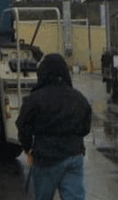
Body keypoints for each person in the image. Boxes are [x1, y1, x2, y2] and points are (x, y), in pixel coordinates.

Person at [16, 53, 92, 200]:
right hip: (74, 156)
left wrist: (28, 148)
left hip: (46, 159)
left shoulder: (35, 98)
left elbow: (22, 126)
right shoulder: (79, 98)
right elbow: (85, 128)